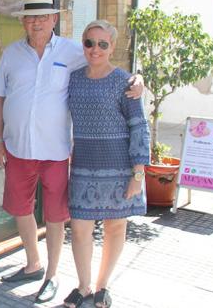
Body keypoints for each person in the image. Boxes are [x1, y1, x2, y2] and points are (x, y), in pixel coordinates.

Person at [0, 0, 143, 303]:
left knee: (56, 214)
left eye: (44, 17)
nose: (37, 23)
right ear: (24, 22)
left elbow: (108, 66)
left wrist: (139, 78)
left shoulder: (73, 50)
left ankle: (52, 274)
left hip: (56, 151)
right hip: (17, 147)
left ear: (54, 19)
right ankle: (33, 263)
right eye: (32, 17)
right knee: (21, 208)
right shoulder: (11, 54)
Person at [62, 20, 150, 308]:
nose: (95, 49)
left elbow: (139, 126)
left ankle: (102, 287)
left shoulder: (125, 82)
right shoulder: (73, 78)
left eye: (102, 44)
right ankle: (83, 286)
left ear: (112, 47)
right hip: (84, 165)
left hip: (120, 167)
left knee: (115, 227)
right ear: (83, 45)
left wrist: (138, 173)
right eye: (89, 43)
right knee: (79, 228)